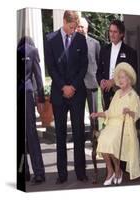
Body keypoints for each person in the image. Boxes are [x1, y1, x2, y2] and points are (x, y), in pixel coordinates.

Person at [45, 11, 88, 184]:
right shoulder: (50, 39)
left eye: (75, 27)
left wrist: (73, 86)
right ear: (64, 21)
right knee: (60, 135)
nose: (72, 31)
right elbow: (51, 67)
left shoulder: (81, 39)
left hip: (77, 94)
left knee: (79, 134)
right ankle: (61, 174)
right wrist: (63, 86)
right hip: (59, 94)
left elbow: (84, 66)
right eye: (71, 27)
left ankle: (81, 173)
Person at [91, 62, 140, 186]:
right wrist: (98, 114)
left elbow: (138, 113)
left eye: (123, 77)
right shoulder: (117, 93)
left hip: (124, 126)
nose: (120, 80)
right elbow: (110, 112)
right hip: (112, 125)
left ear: (129, 79)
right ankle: (111, 170)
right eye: (119, 78)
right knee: (102, 140)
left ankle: (117, 170)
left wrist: (129, 112)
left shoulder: (133, 96)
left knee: (111, 142)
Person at [17, 36, 45, 184]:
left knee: (27, 134)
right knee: (29, 135)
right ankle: (33, 172)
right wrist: (40, 99)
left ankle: (31, 171)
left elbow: (38, 76)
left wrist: (40, 98)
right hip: (25, 95)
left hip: (24, 95)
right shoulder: (31, 51)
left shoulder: (29, 51)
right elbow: (38, 76)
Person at [97, 19, 138, 110]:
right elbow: (99, 71)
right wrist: (101, 81)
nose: (112, 34)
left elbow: (132, 75)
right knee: (109, 121)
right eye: (110, 31)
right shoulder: (104, 50)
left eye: (115, 32)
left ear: (122, 34)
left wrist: (114, 81)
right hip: (107, 95)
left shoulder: (130, 52)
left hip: (123, 94)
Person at [77, 17, 100, 139]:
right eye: (78, 26)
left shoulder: (95, 44)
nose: (80, 28)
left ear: (87, 28)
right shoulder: (72, 43)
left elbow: (98, 63)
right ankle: (80, 139)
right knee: (78, 114)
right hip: (78, 85)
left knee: (94, 114)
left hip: (92, 84)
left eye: (82, 26)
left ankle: (95, 139)